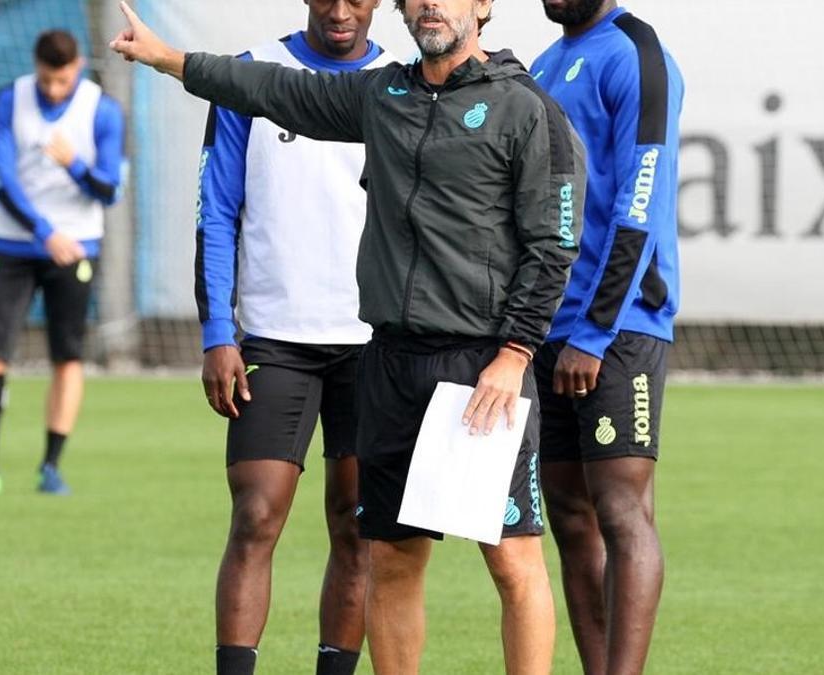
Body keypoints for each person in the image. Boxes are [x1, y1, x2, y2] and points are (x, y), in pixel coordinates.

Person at [109, 0, 586, 671]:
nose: (429, 5)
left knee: (511, 561)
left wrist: (513, 354)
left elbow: (554, 246)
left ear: (482, 5)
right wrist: (167, 59)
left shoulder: (525, 108)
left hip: (480, 367)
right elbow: (274, 88)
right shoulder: (382, 93)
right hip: (388, 362)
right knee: (391, 557)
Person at [195, 2, 395, 674]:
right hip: (274, 339)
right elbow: (217, 210)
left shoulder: (400, 82)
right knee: (255, 516)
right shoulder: (252, 75)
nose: (340, 12)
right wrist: (219, 330)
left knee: (356, 523)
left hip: (375, 341)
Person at [529, 2, 684, 673]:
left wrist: (594, 331)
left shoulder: (637, 56)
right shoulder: (545, 62)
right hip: (544, 326)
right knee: (568, 514)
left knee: (622, 510)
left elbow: (639, 202)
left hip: (617, 328)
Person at [0, 29, 124, 496]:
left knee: (67, 356)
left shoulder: (101, 110)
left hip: (78, 248)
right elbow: (2, 179)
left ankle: (51, 467)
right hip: (13, 245)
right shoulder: (9, 99)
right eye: (46, 79)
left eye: (61, 81)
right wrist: (46, 233)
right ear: (35, 66)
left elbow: (109, 190)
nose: (52, 90)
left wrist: (75, 166)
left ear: (78, 67)